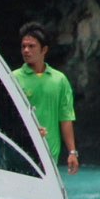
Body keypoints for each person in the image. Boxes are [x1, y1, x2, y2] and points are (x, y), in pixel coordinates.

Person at [12, 21, 78, 174]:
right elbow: (9, 115)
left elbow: (65, 117)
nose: (26, 50)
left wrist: (72, 152)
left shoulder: (59, 80)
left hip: (50, 153)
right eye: (23, 46)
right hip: (23, 151)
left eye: (31, 46)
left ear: (44, 49)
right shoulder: (14, 78)